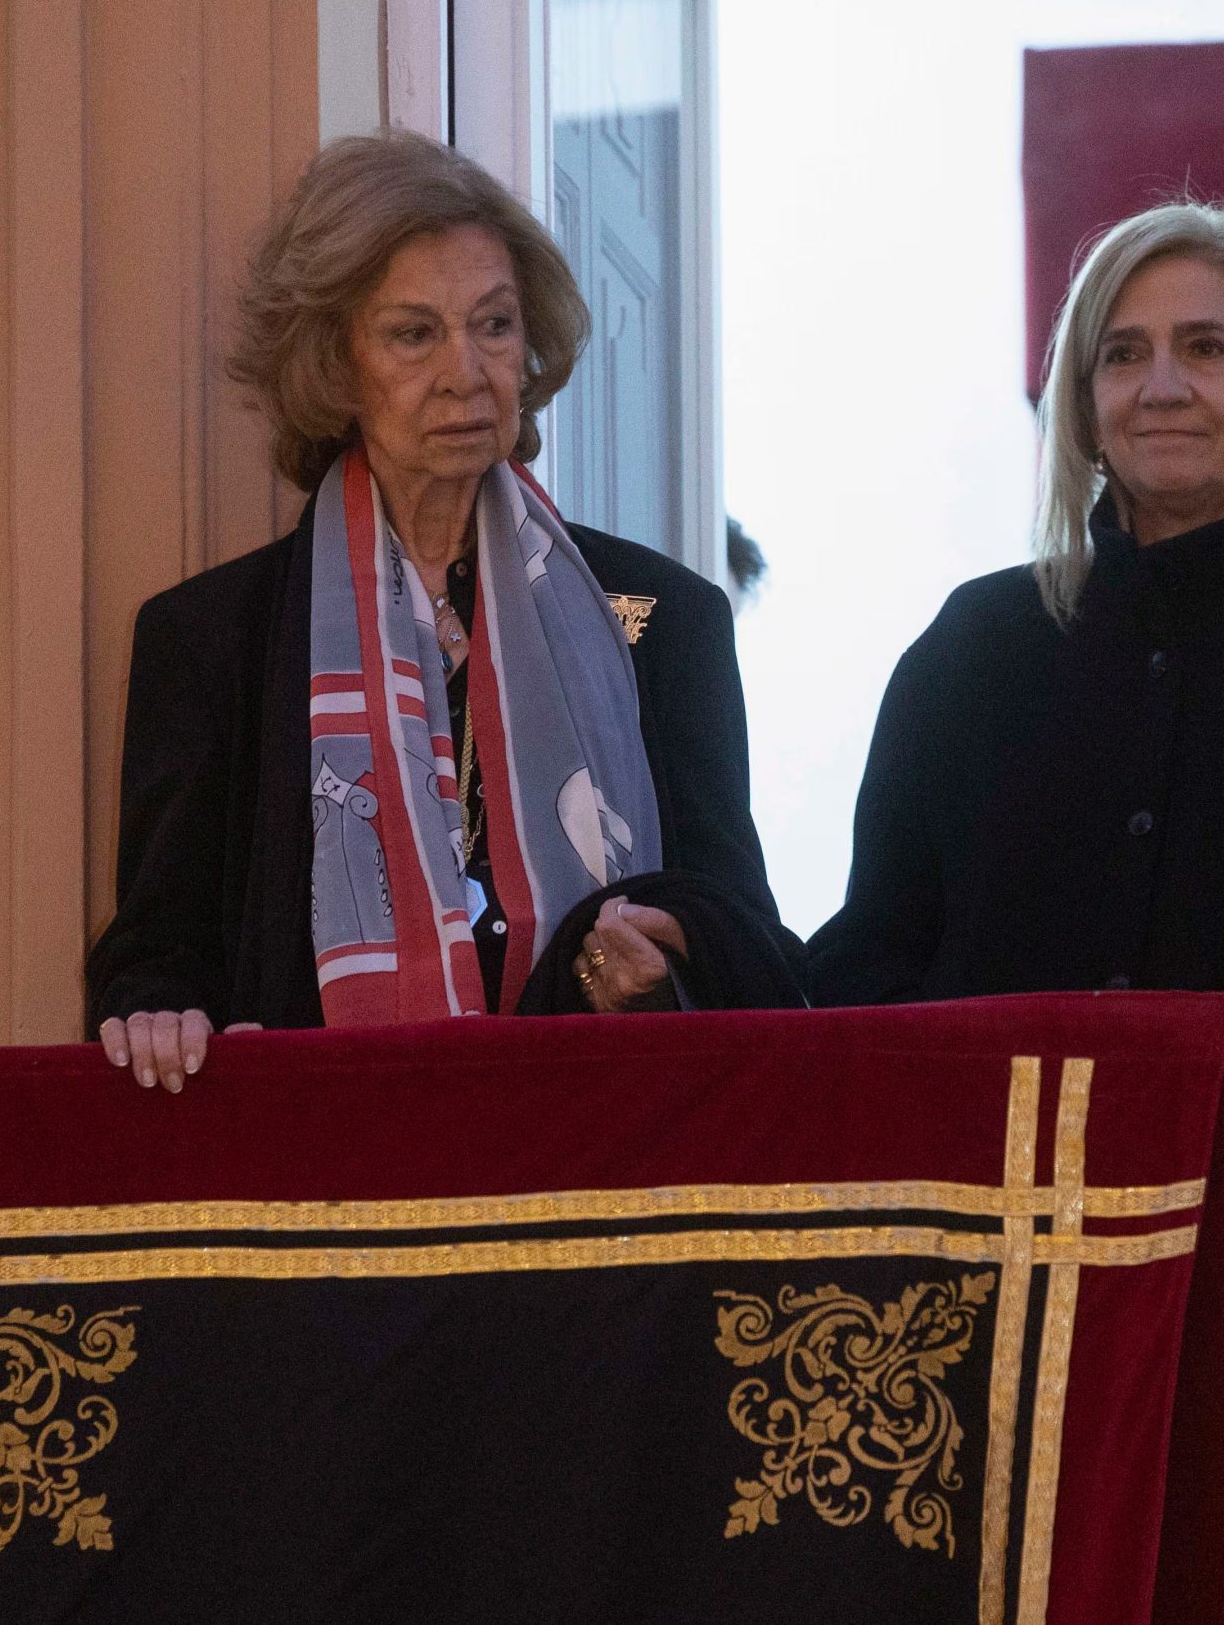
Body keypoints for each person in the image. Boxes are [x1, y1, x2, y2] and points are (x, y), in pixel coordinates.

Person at [88, 130, 801, 1092]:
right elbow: (154, 958)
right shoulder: (215, 639)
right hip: (329, 1189)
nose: (467, 370)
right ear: (335, 368)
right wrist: (157, 1011)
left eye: (495, 325)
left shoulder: (664, 619)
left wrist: (671, 952)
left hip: (597, 1170)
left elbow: (756, 945)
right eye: (415, 333)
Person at [806, 202, 1224, 1003]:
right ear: (1084, 407)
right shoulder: (971, 646)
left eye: (1205, 348)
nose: (1162, 388)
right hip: (1003, 1131)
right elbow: (872, 959)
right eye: (1123, 355)